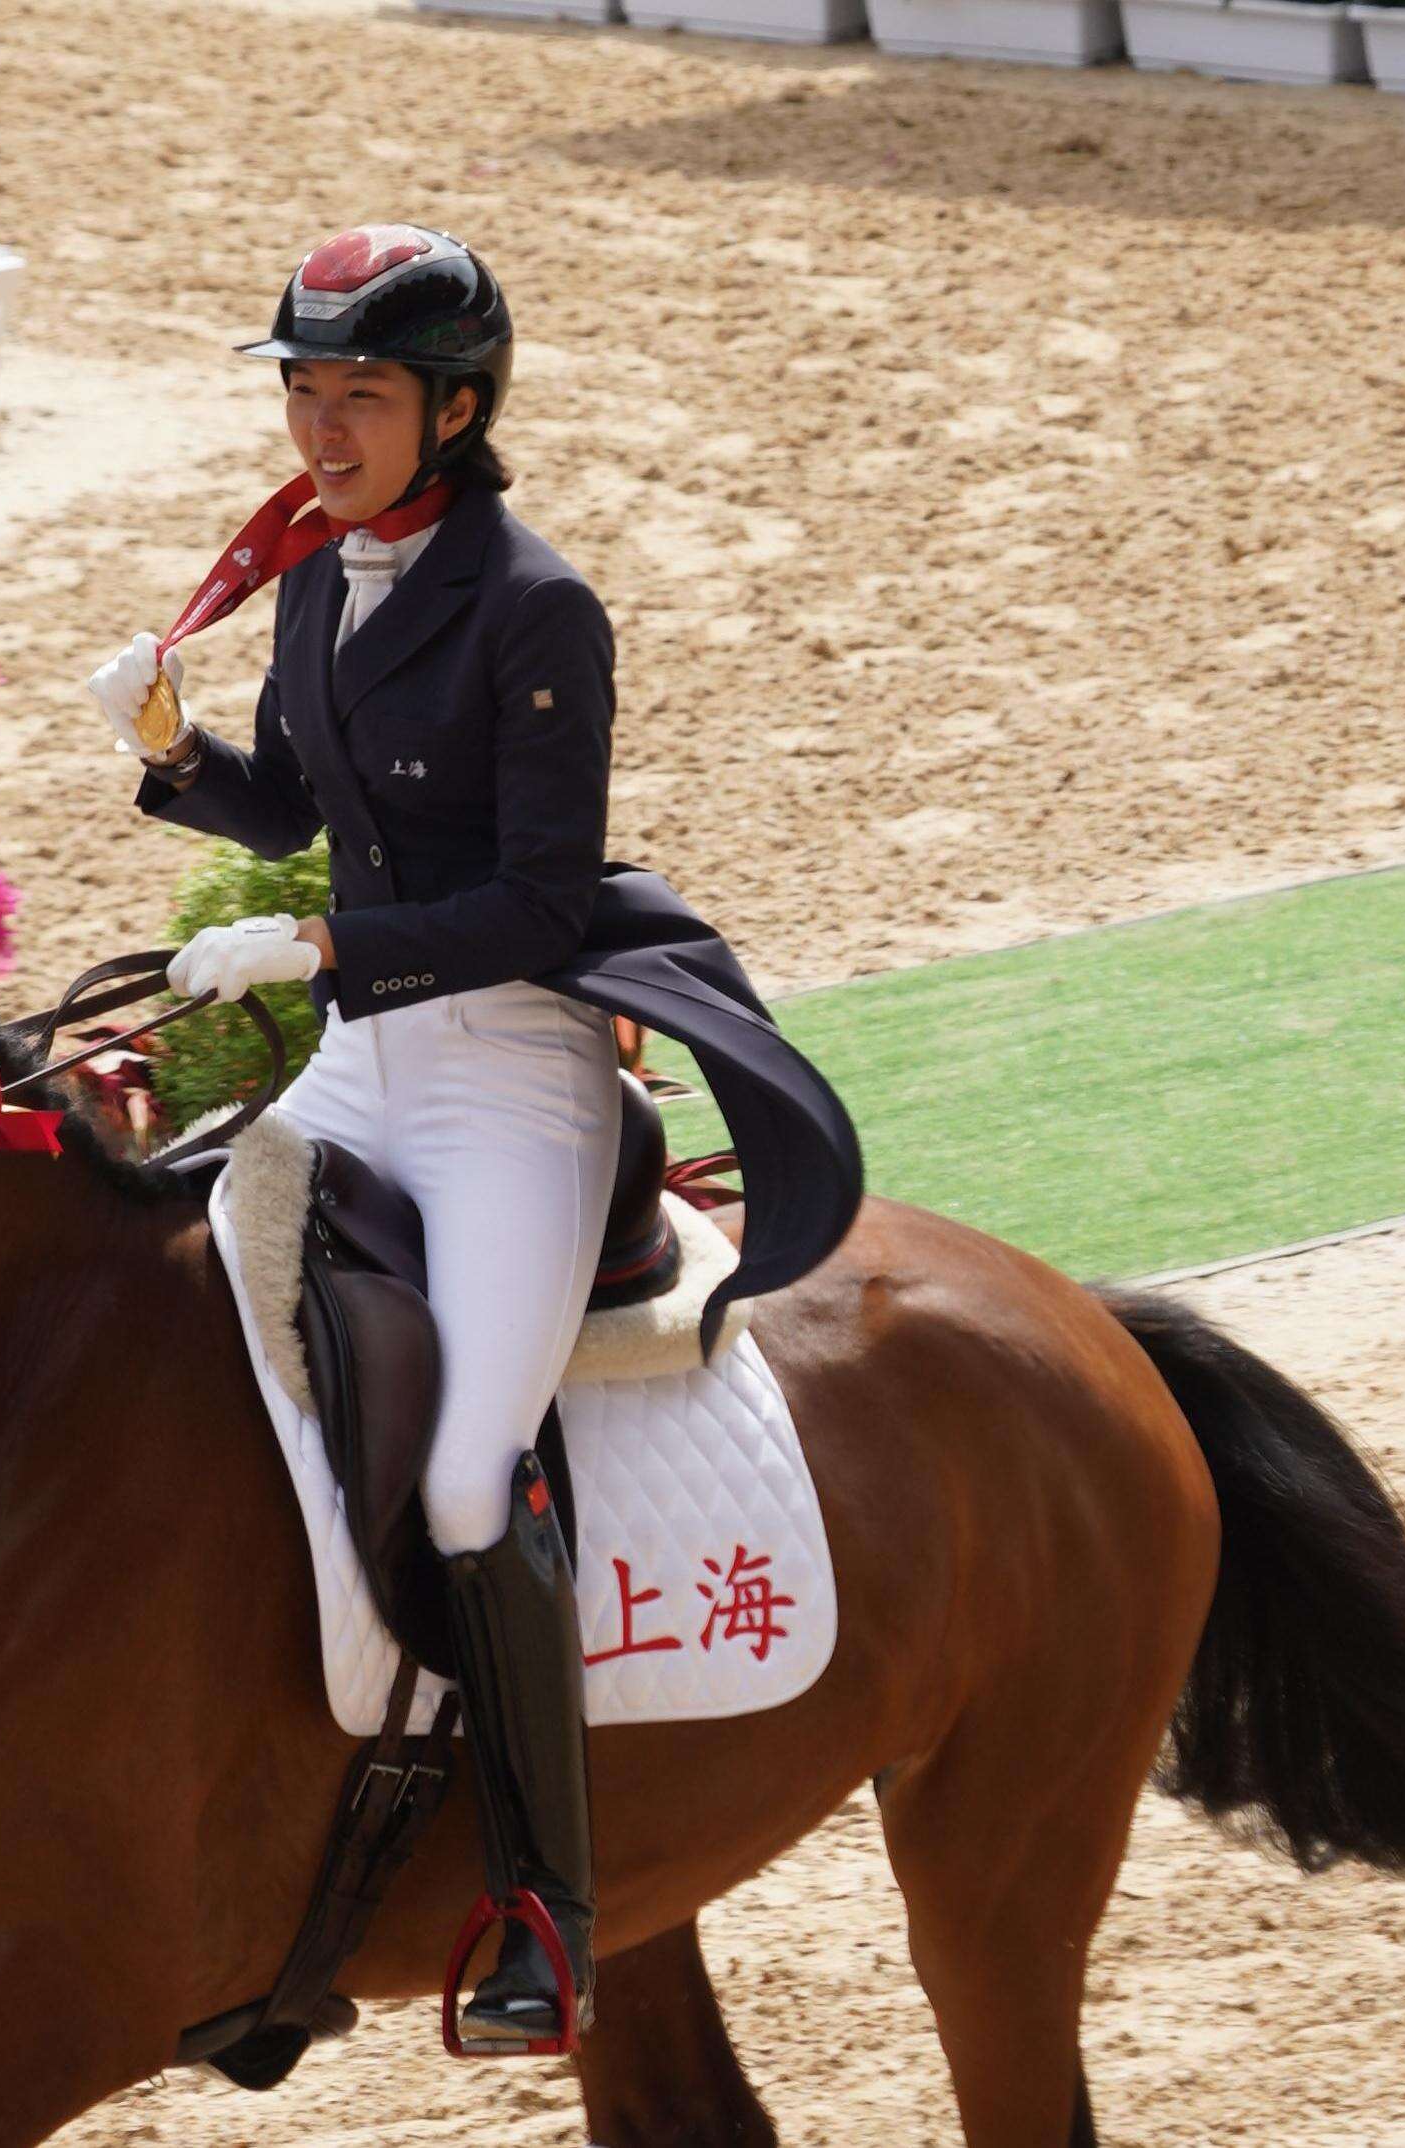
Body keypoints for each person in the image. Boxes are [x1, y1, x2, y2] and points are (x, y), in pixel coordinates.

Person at [86, 224, 865, 2054]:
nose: (322, 424)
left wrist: (328, 943)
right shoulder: (315, 578)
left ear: (453, 408)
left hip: (511, 1074)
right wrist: (173, 755)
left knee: (460, 1479)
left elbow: (531, 901)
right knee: (202, 1346)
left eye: (358, 394)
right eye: (303, 388)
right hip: (370, 1065)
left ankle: (547, 1909)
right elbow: (302, 806)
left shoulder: (534, 604)